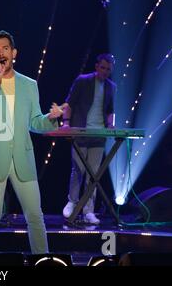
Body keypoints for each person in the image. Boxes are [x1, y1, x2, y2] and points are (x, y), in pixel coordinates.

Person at [0, 30, 65, 254]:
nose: (0, 53)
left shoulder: (29, 84)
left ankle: (43, 260)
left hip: (23, 157)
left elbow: (34, 121)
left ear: (13, 53)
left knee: (35, 216)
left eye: (4, 48)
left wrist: (51, 119)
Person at [61, 53, 117, 225]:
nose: (105, 72)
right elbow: (69, 103)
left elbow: (110, 110)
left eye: (108, 69)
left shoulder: (111, 87)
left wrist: (111, 125)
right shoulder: (82, 81)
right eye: (103, 68)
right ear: (96, 66)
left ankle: (89, 211)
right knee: (78, 170)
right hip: (81, 131)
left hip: (99, 136)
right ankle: (72, 202)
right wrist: (66, 123)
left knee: (94, 175)